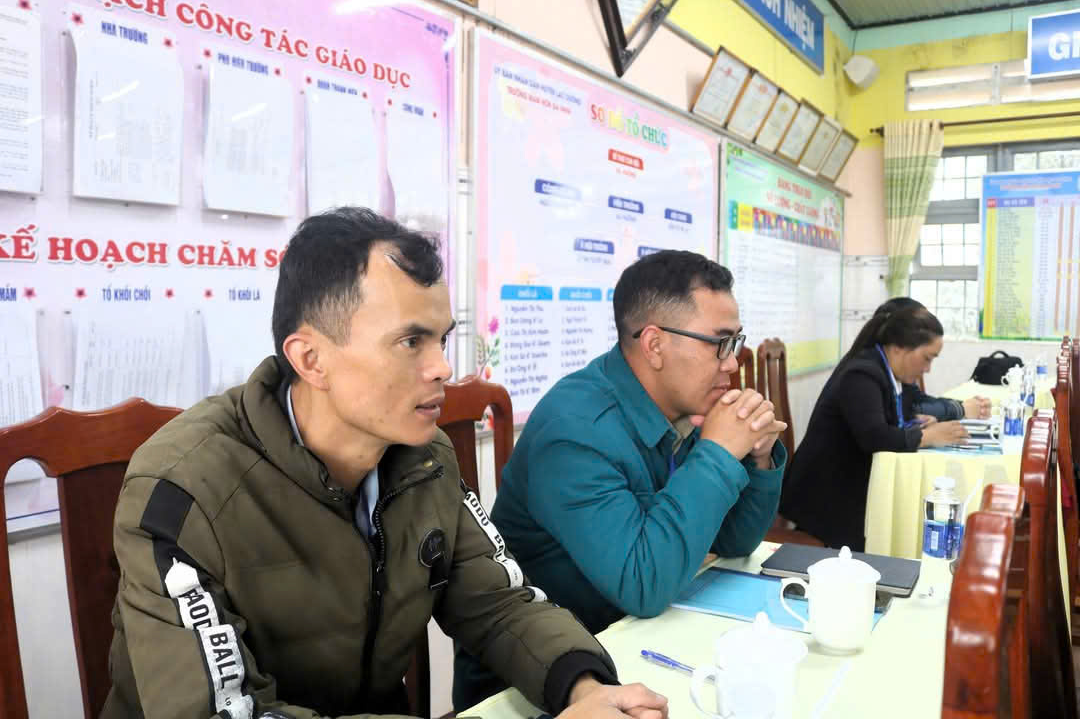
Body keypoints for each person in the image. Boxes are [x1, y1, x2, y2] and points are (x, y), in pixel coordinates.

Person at [103, 207, 668, 719]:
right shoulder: (183, 489)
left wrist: (585, 689)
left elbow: (498, 603)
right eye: (411, 342)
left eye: (442, 340)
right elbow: (223, 713)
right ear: (311, 359)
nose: (442, 368)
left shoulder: (426, 458)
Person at [453, 250, 788, 710]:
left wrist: (758, 459)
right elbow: (643, 585)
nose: (731, 364)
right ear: (654, 345)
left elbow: (734, 541)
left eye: (735, 342)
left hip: (627, 642)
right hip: (538, 685)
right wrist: (716, 454)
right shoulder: (575, 430)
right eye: (719, 343)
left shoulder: (678, 409)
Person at [779, 304, 969, 551]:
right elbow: (874, 436)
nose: (927, 369)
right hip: (828, 496)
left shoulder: (888, 372)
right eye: (927, 358)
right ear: (899, 347)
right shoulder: (862, 374)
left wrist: (917, 423)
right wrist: (925, 436)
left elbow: (895, 416)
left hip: (851, 487)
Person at [855, 298, 990, 421]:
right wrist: (961, 409)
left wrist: (963, 405)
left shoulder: (892, 369)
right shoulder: (865, 375)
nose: (927, 369)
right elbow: (911, 409)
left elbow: (918, 400)